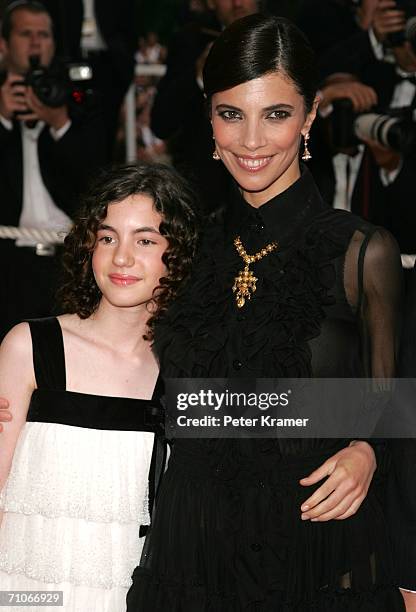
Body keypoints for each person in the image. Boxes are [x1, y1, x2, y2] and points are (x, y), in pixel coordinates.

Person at [126, 14, 405, 611]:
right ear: (210, 121)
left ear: (308, 118)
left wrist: (368, 450)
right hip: (193, 546)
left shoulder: (360, 251)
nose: (251, 141)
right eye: (232, 114)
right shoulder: (188, 248)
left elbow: (393, 400)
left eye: (275, 114)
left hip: (315, 540)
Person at [0, 162, 198, 611]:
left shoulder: (187, 368)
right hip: (28, 595)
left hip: (131, 596)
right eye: (107, 237)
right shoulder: (30, 346)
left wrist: (366, 443)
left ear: (179, 253)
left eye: (145, 240)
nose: (121, 258)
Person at [0, 0, 106, 340]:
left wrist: (58, 121)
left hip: (68, 261)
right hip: (7, 264)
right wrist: (1, 118)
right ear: (3, 45)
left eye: (43, 34)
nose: (35, 43)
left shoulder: (77, 99)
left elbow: (97, 183)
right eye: (25, 34)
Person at [150, 0, 262, 214]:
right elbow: (162, 123)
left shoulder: (283, 40)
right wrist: (199, 76)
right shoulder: (190, 40)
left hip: (271, 191)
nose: (237, 3)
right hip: (206, 196)